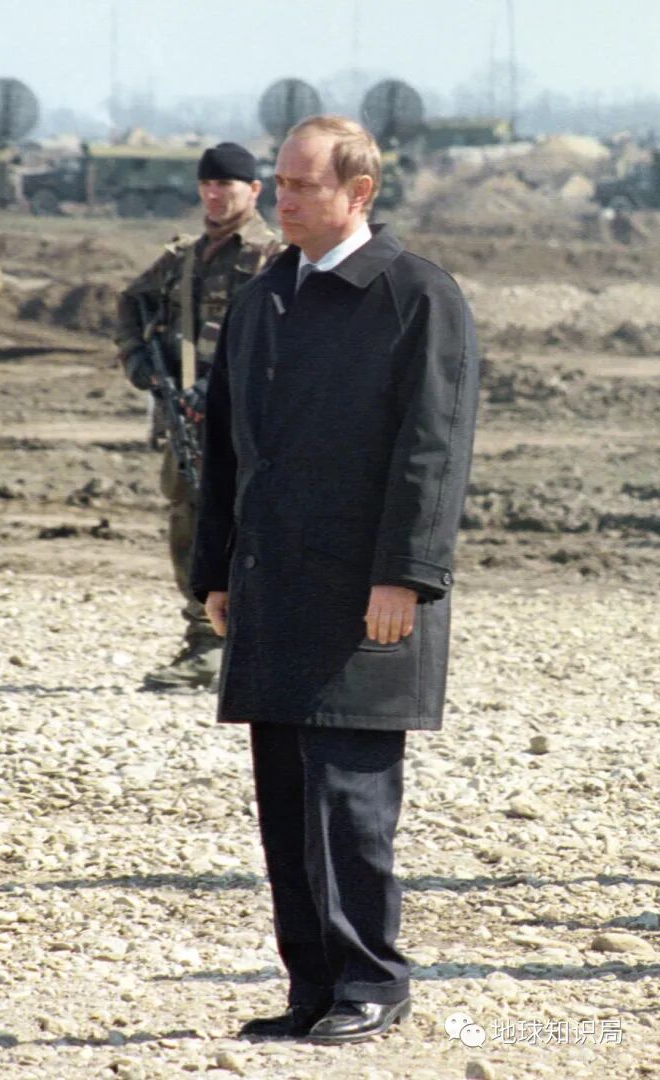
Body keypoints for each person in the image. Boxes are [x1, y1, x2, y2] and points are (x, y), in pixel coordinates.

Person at [190, 116, 479, 1044]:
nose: (283, 199)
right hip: (272, 583)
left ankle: (371, 981)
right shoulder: (264, 296)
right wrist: (216, 570)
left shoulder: (415, 295)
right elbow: (228, 445)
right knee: (285, 798)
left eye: (303, 185)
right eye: (279, 183)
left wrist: (407, 575)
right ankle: (311, 985)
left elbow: (433, 449)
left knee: (349, 798)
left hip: (365, 590)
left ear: (359, 193)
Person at [115, 143, 281, 690]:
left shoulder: (272, 256)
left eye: (225, 186)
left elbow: (280, 340)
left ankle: (254, 642)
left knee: (253, 527)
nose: (214, 195)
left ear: (253, 191)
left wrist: (222, 387)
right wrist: (139, 361)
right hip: (188, 419)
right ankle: (207, 639)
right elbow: (131, 302)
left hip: (250, 423)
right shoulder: (184, 257)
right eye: (207, 185)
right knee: (190, 521)